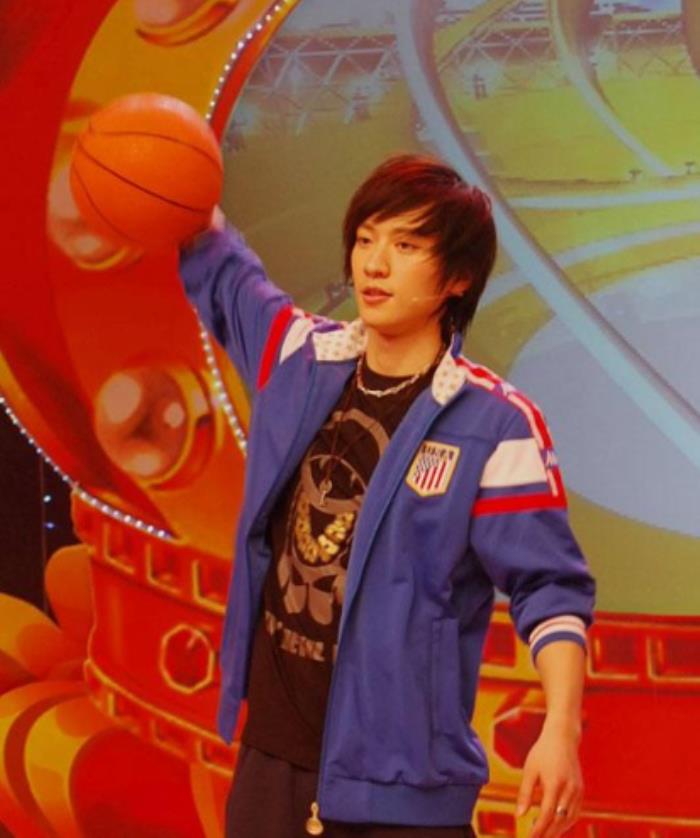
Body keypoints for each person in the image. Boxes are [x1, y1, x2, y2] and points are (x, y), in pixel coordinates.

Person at [178, 154, 595, 838]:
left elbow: (549, 589)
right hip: (272, 762)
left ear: (457, 278)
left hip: (403, 790)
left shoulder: (494, 425)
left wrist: (561, 729)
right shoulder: (300, 360)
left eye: (406, 246)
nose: (375, 264)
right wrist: (178, 191)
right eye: (366, 239)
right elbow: (227, 273)